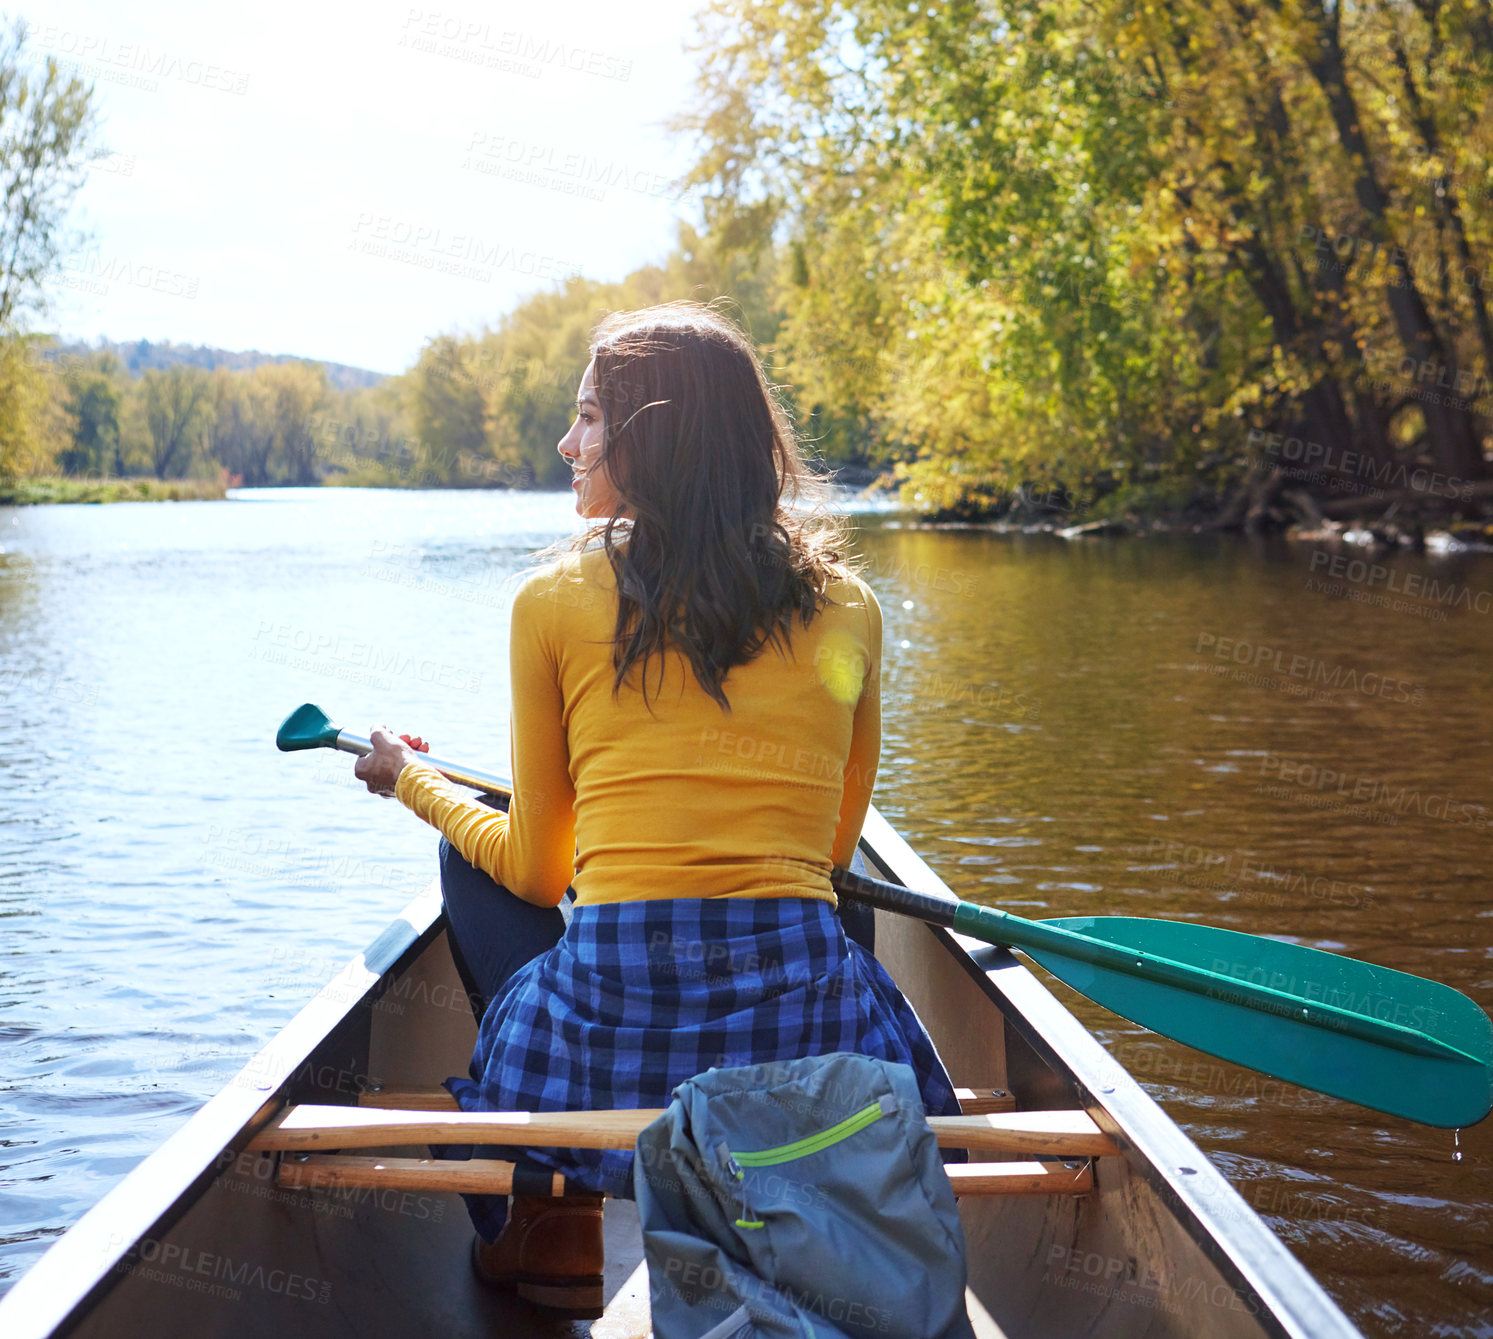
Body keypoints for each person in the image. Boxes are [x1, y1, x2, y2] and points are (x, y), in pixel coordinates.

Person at [354, 300, 959, 1319]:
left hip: (602, 1033)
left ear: (654, 438)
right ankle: (807, 1182)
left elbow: (541, 875)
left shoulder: (547, 602)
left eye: (589, 419)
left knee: (469, 854)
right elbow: (828, 850)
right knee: (839, 899)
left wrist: (415, 784)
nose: (566, 443)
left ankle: (554, 1230)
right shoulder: (850, 608)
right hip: (801, 1030)